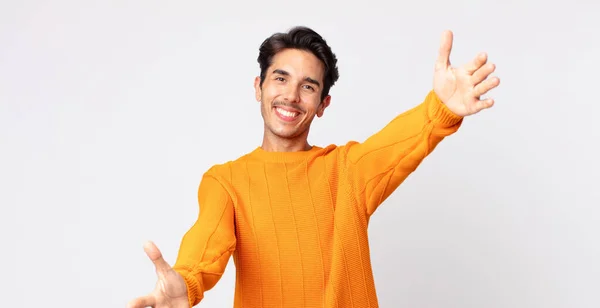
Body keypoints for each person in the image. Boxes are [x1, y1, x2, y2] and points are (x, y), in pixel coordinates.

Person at [127, 26, 500, 308]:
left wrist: (442, 107)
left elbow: (404, 140)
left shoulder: (347, 171)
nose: (291, 95)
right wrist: (186, 285)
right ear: (258, 87)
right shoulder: (226, 182)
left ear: (323, 103)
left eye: (308, 86)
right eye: (280, 78)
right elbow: (206, 249)